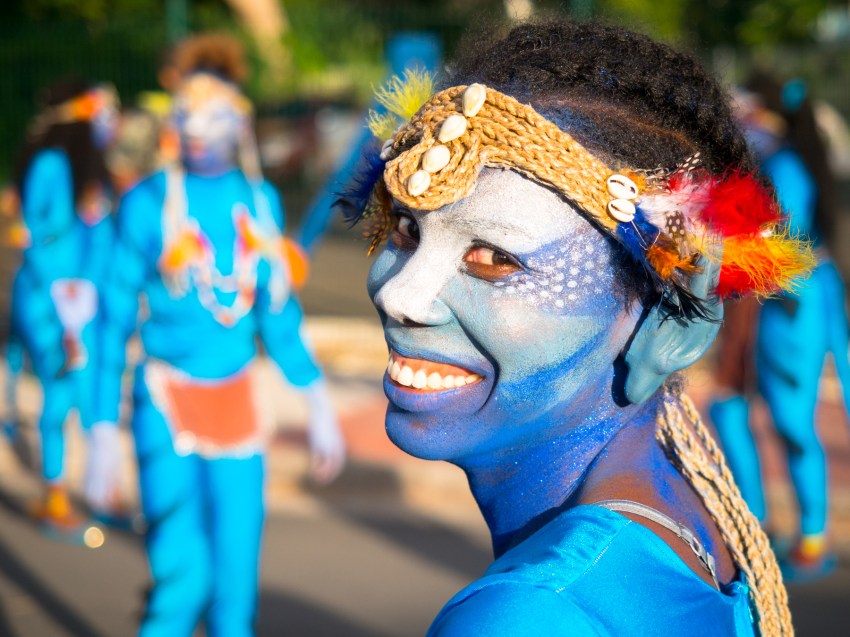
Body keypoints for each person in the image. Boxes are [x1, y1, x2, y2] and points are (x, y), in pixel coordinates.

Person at [348, 20, 814, 635]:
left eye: (492, 258)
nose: (400, 295)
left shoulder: (527, 616)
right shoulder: (684, 514)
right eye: (408, 229)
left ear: (668, 326)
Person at [93, 34, 345, 636]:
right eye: (188, 111)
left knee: (236, 588)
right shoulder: (148, 203)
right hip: (164, 398)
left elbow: (276, 315)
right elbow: (112, 319)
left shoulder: (259, 202)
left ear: (240, 122)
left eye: (215, 111)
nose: (198, 127)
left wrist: (316, 399)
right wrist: (100, 428)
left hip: (238, 402)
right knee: (183, 581)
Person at [713, 73, 849, 580]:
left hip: (791, 306)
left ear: (767, 114)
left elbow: (778, 242)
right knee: (734, 409)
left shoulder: (785, 166)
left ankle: (813, 536)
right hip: (768, 305)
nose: (740, 120)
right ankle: (760, 526)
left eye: (746, 109)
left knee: (792, 421)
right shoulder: (773, 163)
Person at [11, 77, 119, 535]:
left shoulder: (91, 171)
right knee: (61, 390)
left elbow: (100, 234)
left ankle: (97, 487)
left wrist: (89, 289)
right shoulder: (51, 164)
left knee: (88, 389)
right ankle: (53, 495)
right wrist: (64, 295)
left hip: (84, 300)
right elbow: (31, 234)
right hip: (47, 300)